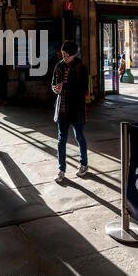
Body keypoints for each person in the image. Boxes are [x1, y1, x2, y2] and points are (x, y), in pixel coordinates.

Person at [52, 40, 89, 183]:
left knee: (79, 136)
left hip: (76, 109)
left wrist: (65, 86)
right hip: (62, 108)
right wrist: (55, 88)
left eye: (67, 55)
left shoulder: (81, 68)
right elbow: (53, 83)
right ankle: (61, 169)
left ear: (75, 54)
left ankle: (84, 164)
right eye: (63, 54)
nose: (64, 57)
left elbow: (83, 91)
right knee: (61, 140)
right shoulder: (58, 66)